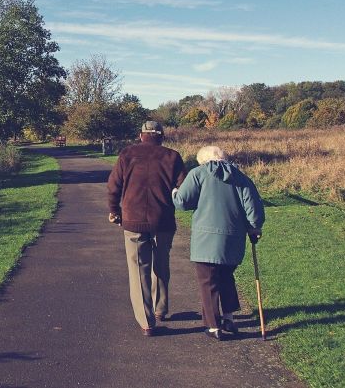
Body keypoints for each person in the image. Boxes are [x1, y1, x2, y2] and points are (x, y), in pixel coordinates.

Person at [172, 145, 264, 340]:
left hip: (205, 239)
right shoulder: (241, 177)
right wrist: (254, 228)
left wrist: (174, 192)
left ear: (203, 160)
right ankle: (229, 318)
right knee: (226, 277)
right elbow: (253, 208)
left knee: (208, 281)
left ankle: (213, 326)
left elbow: (182, 202)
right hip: (233, 238)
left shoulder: (198, 174)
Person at [107, 121, 186, 336]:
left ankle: (147, 322)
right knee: (161, 265)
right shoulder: (172, 156)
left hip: (133, 221)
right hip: (163, 221)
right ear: (161, 136)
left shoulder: (127, 154)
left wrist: (114, 210)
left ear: (141, 135)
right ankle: (160, 309)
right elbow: (183, 188)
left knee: (138, 270)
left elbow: (114, 185)